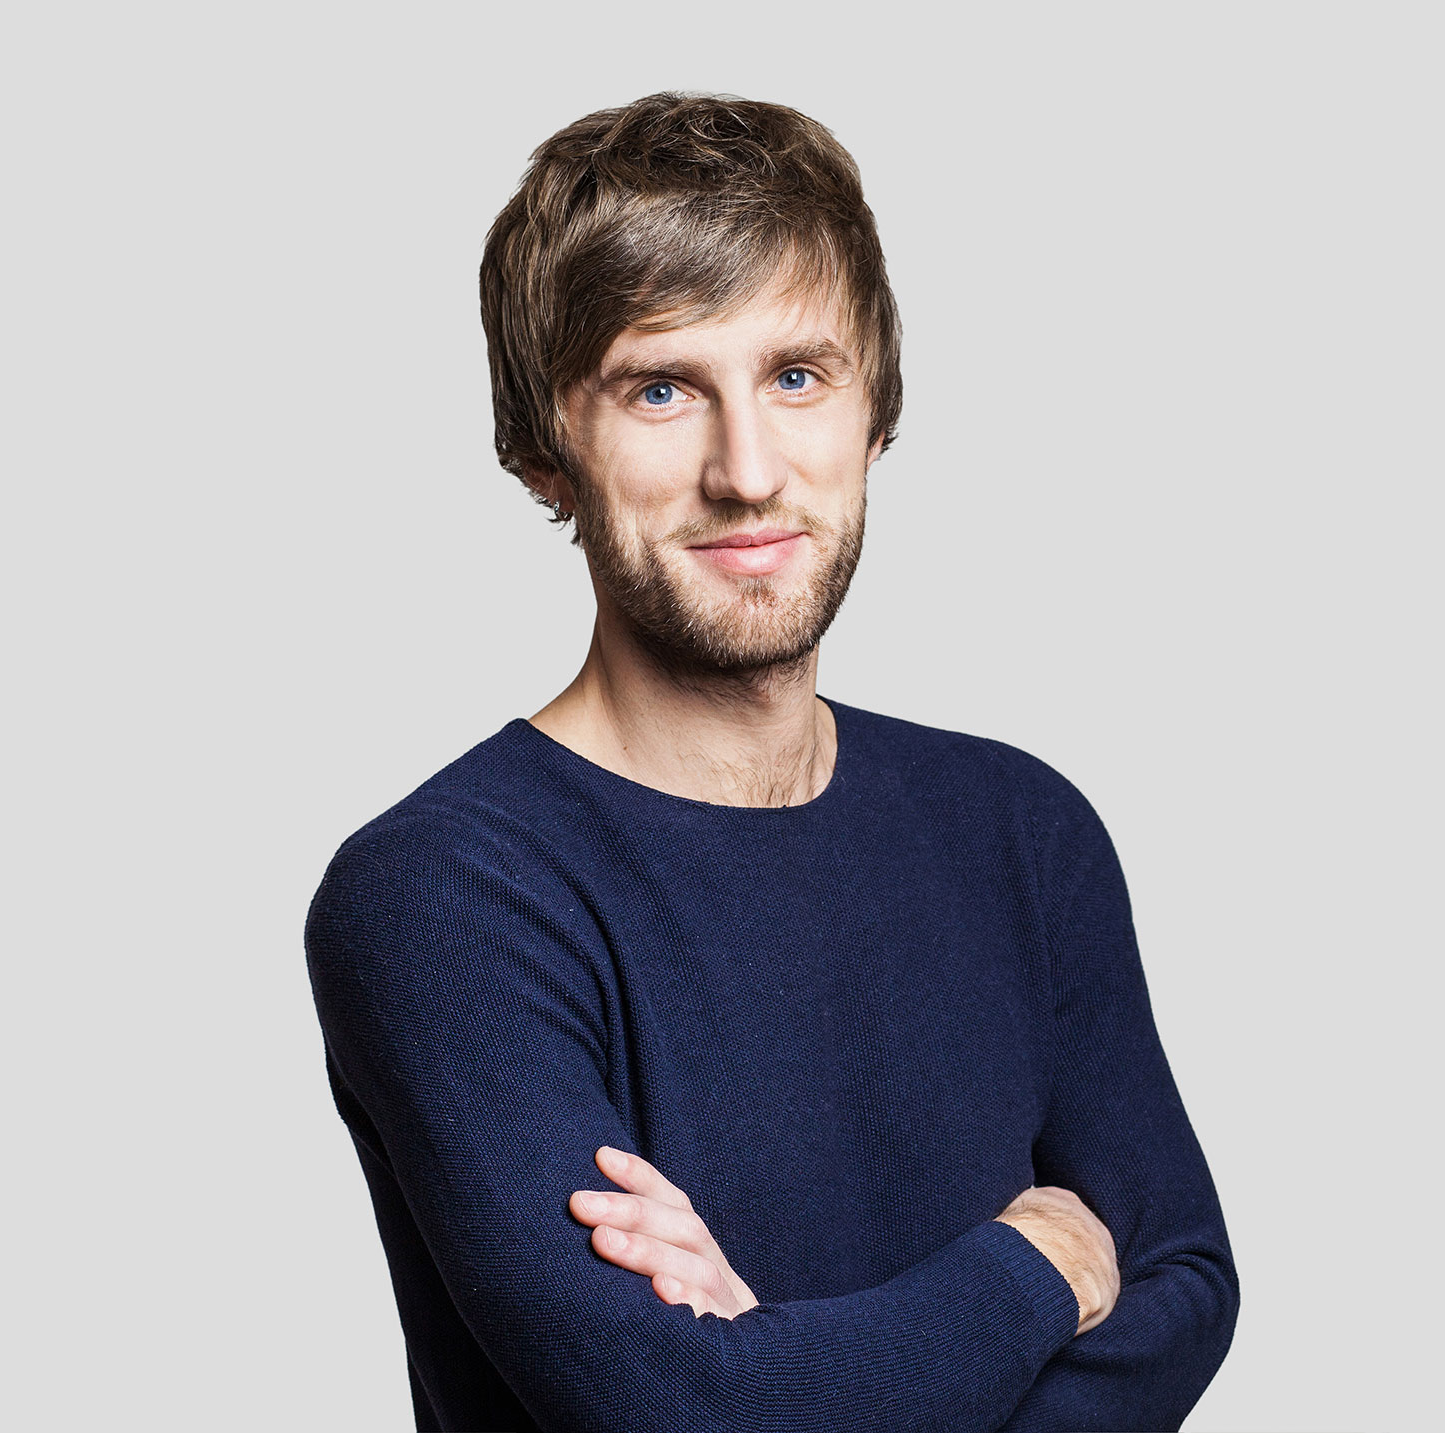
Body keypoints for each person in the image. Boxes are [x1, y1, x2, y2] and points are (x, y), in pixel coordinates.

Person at [303, 90, 1238, 1432]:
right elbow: (688, 1413)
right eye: (662, 389)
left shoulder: (1021, 831)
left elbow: (1186, 1285)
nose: (746, 472)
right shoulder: (444, 896)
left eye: (798, 377)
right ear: (546, 450)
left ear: (874, 414)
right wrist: (1036, 1264)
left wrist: (793, 1375)